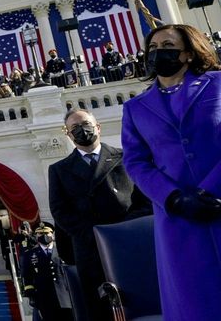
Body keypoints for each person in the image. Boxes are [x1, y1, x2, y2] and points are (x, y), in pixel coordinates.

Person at [121, 23, 221, 321]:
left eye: (166, 45)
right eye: (152, 48)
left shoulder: (217, 84)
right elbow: (136, 163)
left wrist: (211, 189)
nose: (157, 52)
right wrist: (174, 198)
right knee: (194, 300)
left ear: (188, 53)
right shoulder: (135, 108)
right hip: (178, 218)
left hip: (218, 201)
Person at [48, 109, 151, 321]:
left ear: (98, 126)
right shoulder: (59, 169)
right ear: (68, 134)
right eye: (74, 128)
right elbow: (60, 211)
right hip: (90, 249)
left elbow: (145, 201)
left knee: (140, 303)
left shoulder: (125, 158)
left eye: (85, 123)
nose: (81, 130)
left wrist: (120, 231)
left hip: (129, 243)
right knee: (99, 309)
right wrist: (93, 233)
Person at [20, 224, 70, 321]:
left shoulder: (62, 251)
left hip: (65, 296)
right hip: (44, 297)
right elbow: (27, 276)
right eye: (40, 234)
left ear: (53, 234)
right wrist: (30, 294)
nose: (44, 235)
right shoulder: (30, 254)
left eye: (47, 233)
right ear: (36, 236)